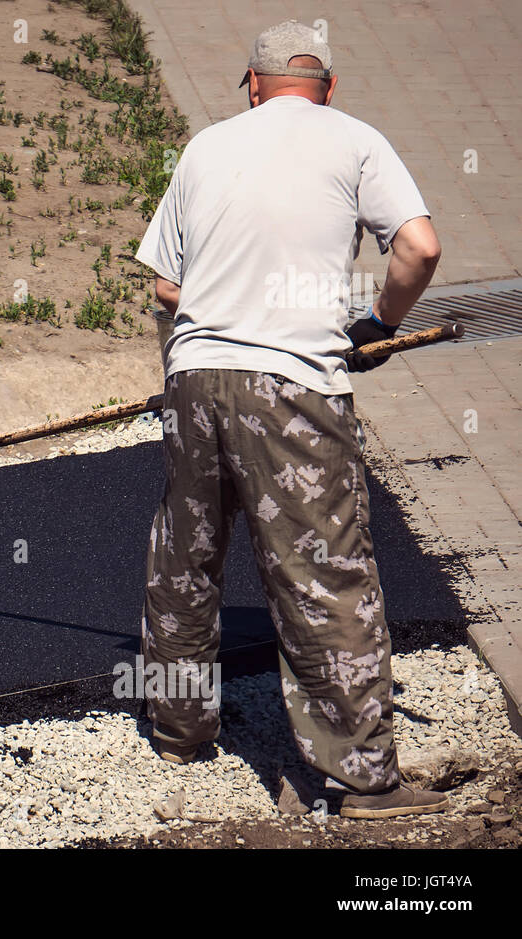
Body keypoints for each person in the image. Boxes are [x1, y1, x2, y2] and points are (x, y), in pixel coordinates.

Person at [133, 20, 445, 818]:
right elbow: (419, 248)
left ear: (254, 84)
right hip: (295, 384)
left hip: (197, 379)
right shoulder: (356, 140)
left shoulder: (206, 148)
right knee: (323, 567)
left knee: (186, 552)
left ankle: (178, 727)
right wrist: (375, 320)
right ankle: (363, 777)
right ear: (328, 87)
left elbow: (168, 287)